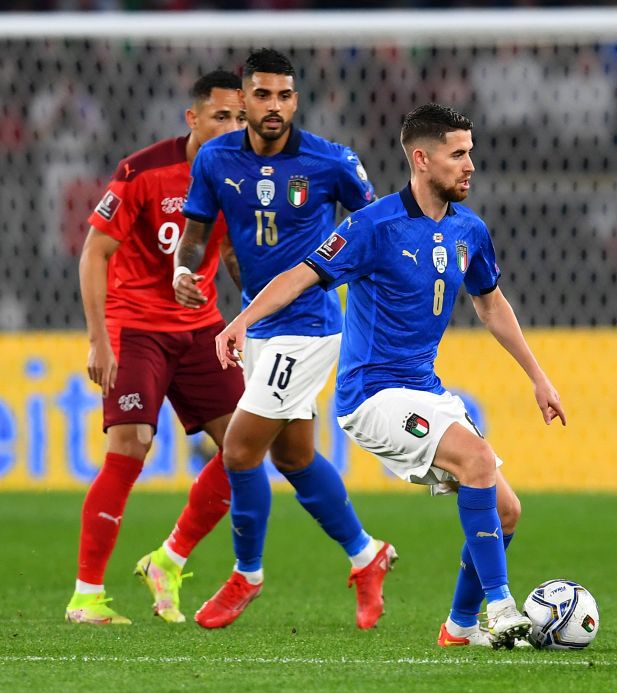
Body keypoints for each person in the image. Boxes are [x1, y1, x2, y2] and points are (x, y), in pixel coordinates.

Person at [213, 103, 567, 649]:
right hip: (372, 394)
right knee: (475, 461)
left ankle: (460, 625)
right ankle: (501, 605)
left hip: (424, 390)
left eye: (470, 152)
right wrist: (242, 321)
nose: (470, 165)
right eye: (458, 154)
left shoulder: (470, 230)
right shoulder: (372, 225)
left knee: (506, 510)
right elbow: (301, 276)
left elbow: (492, 305)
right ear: (421, 159)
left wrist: (538, 378)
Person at [174, 49, 393, 629]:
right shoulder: (217, 158)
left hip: (310, 325)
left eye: (285, 96)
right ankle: (367, 555)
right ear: (242, 99)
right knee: (293, 456)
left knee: (240, 450)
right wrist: (181, 269)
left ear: (296, 99)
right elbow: (196, 235)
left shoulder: (331, 161)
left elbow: (376, 232)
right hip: (256, 323)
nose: (275, 107)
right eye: (263, 95)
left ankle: (247, 574)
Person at [66, 71, 248, 626]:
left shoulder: (240, 176)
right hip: (136, 326)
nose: (234, 128)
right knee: (130, 446)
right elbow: (94, 253)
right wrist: (99, 339)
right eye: (222, 116)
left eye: (241, 118)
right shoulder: (142, 171)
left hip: (201, 328)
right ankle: (86, 596)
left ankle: (167, 559)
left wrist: (262, 309)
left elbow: (238, 256)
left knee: (244, 448)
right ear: (192, 120)